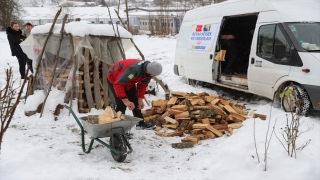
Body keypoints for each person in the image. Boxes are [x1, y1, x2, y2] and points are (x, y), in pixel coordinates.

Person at [107, 59, 162, 130]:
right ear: (149, 70)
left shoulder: (149, 73)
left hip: (129, 80)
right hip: (114, 78)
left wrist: (140, 99)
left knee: (135, 101)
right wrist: (125, 100)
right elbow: (119, 84)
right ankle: (119, 128)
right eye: (154, 74)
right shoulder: (133, 70)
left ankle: (140, 123)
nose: (153, 76)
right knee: (121, 104)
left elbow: (143, 85)